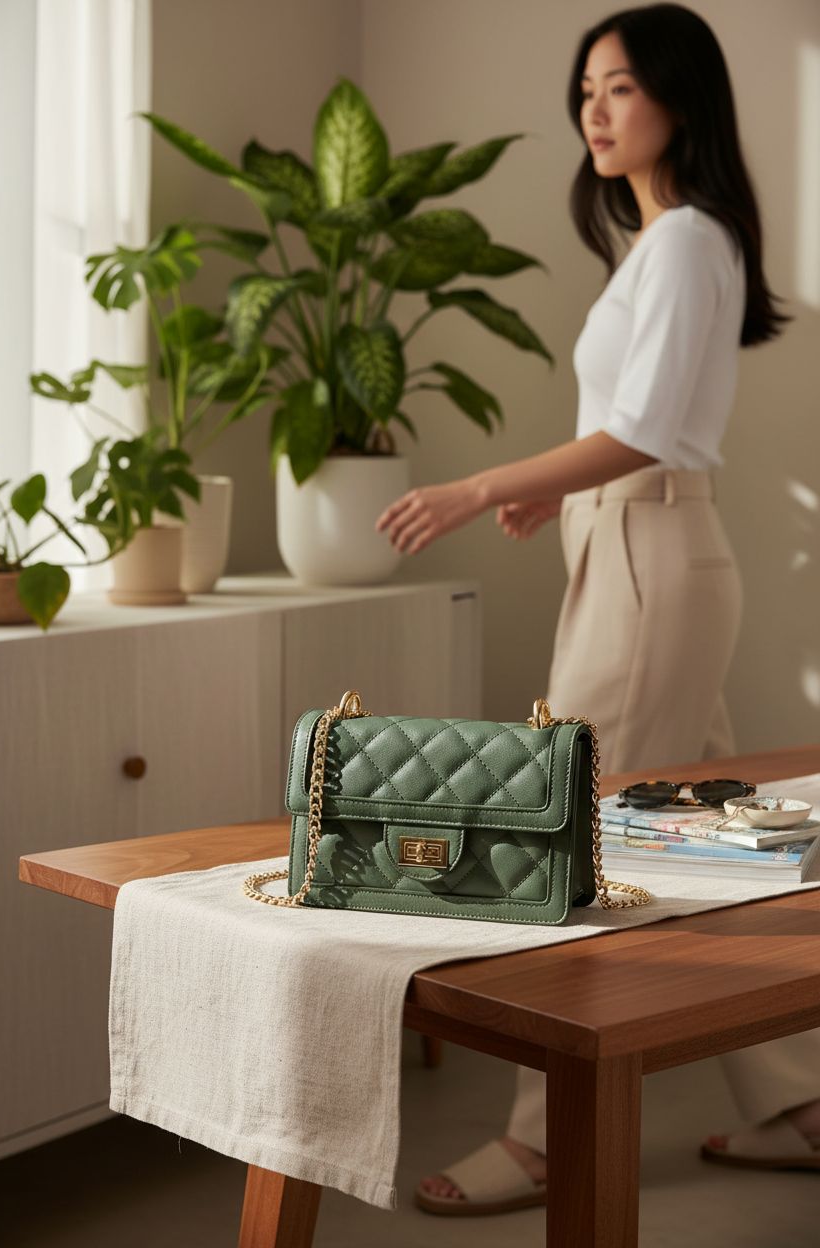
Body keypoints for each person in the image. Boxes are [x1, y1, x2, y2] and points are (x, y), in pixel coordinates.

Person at [375, 1, 820, 1219]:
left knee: (558, 835)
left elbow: (641, 435)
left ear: (681, 96)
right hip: (638, 547)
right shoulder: (668, 243)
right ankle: (800, 1099)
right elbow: (628, 438)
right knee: (722, 847)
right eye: (586, 90)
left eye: (619, 86)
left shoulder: (683, 243)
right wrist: (553, 500)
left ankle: (542, 1137)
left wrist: (479, 486)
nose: (594, 109)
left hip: (650, 555)